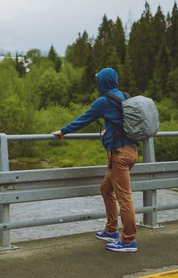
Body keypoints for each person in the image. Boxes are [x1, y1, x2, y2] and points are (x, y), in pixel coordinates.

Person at [51, 67, 138, 253]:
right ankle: (111, 230)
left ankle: (129, 241)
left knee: (124, 197)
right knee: (106, 189)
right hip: (130, 151)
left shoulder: (104, 101)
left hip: (119, 155)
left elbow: (84, 119)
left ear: (103, 82)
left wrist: (63, 131)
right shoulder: (124, 96)